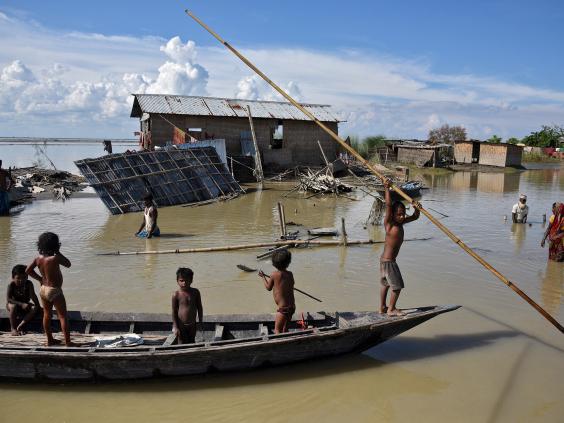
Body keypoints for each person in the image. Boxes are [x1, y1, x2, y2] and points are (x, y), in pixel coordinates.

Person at [380, 179, 420, 316]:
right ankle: (391, 309)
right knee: (397, 287)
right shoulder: (390, 224)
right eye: (399, 214)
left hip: (385, 261)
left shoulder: (401, 223)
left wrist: (416, 207)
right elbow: (388, 205)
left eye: (403, 213)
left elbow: (415, 217)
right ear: (393, 215)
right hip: (389, 262)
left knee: (385, 284)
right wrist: (386, 188)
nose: (402, 216)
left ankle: (382, 308)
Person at [26, 232, 73, 346]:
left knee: (47, 315)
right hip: (54, 290)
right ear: (56, 245)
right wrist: (58, 252)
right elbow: (68, 264)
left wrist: (39, 279)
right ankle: (68, 342)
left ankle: (49, 340)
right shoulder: (55, 258)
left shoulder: (38, 259)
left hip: (43, 289)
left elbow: (28, 270)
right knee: (62, 316)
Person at [259, 249, 296, 333]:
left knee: (277, 330)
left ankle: (280, 344)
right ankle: (287, 342)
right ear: (288, 262)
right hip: (292, 307)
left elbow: (268, 288)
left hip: (283, 309)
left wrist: (263, 277)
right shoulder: (290, 274)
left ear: (274, 263)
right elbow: (291, 284)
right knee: (285, 329)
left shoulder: (273, 274)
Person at [6, 264, 40, 335]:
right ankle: (13, 329)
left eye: (24, 277)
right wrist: (21, 304)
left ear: (27, 277)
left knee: (35, 307)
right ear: (13, 277)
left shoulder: (29, 284)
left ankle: (20, 325)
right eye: (18, 278)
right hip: (13, 304)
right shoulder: (11, 285)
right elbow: (9, 299)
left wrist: (38, 306)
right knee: (13, 306)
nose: (21, 280)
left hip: (25, 304)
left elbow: (33, 296)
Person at [172, 267, 203, 344]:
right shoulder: (176, 295)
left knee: (192, 341)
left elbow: (199, 307)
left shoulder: (196, 292)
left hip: (193, 324)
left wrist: (200, 322)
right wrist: (175, 327)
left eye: (187, 280)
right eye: (181, 280)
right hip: (181, 325)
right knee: (181, 342)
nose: (184, 283)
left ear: (191, 280)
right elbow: (174, 311)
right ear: (177, 281)